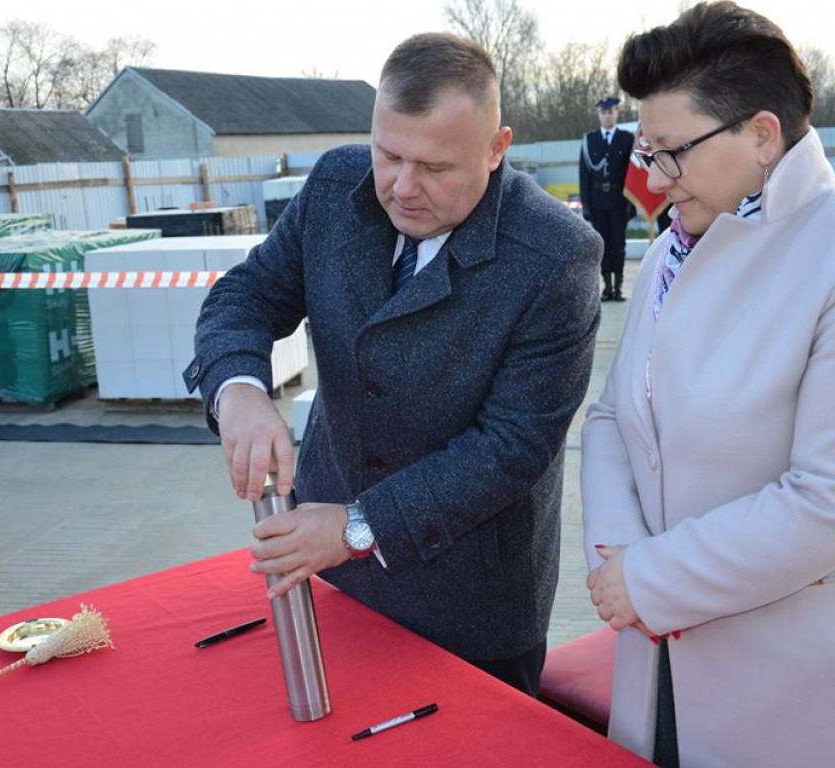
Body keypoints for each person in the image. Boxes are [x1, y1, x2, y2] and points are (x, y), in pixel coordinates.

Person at [581, 3, 835, 766]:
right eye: (645, 150)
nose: (649, 177)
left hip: (807, 682)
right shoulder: (672, 251)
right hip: (666, 654)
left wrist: (650, 578)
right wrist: (616, 557)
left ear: (760, 134)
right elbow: (615, 415)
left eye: (669, 151)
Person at [183, 32, 602, 697]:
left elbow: (511, 448)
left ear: (498, 149)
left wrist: (357, 525)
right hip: (328, 580)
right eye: (388, 154)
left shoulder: (556, 256)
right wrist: (237, 388)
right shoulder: (334, 188)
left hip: (469, 605)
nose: (403, 188)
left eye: (435, 167)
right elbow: (247, 294)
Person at [579, 97, 635, 301]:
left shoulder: (627, 139)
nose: (607, 115)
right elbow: (584, 175)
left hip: (619, 201)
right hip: (597, 201)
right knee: (602, 245)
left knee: (618, 245)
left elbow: (633, 174)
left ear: (617, 113)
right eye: (603, 112)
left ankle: (618, 288)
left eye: (611, 111)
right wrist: (586, 205)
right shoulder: (589, 140)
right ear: (598, 115)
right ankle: (607, 287)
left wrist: (631, 203)